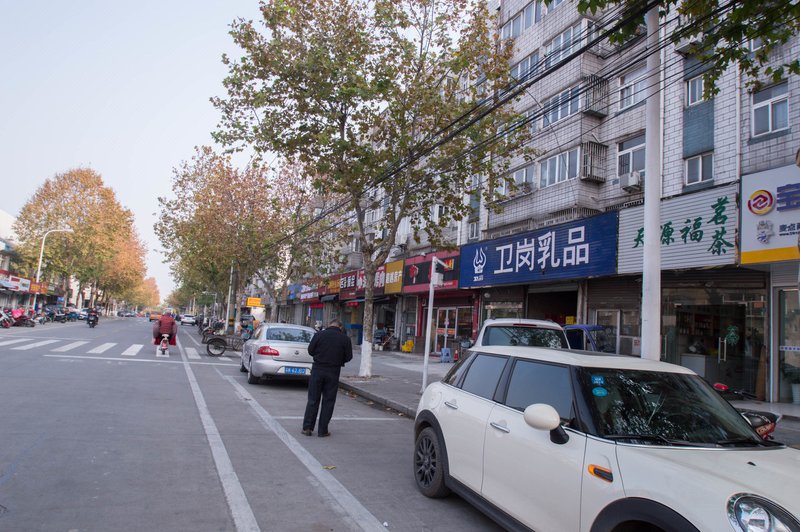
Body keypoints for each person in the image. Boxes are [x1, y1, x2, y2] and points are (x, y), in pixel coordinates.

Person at [302, 319, 353, 437]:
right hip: (333, 371)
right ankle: (323, 430)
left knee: (313, 399)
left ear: (329, 325)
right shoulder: (345, 339)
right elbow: (348, 357)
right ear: (340, 327)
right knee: (328, 401)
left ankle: (307, 428)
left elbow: (310, 350)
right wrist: (338, 360)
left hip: (318, 369)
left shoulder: (319, 335)